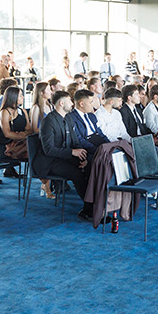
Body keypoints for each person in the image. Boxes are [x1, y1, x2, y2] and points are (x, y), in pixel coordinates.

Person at [35, 90, 93, 221]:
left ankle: (91, 204)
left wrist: (82, 157)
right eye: (69, 101)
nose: (72, 104)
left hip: (65, 157)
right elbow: (48, 150)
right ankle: (89, 208)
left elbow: (75, 142)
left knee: (90, 166)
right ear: (61, 103)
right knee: (77, 173)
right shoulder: (48, 121)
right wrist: (73, 153)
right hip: (50, 162)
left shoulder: (68, 118)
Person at [28, 81, 56, 199]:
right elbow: (34, 128)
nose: (51, 92)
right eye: (48, 90)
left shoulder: (50, 106)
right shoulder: (36, 108)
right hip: (39, 141)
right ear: (42, 93)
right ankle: (47, 186)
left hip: (49, 138)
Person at [69, 89, 106, 162]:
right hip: (88, 146)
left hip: (99, 142)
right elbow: (79, 140)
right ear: (81, 104)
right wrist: (98, 150)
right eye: (90, 102)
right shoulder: (71, 118)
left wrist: (109, 145)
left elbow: (100, 133)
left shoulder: (91, 116)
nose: (92, 105)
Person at [0, 86, 31, 161]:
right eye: (20, 95)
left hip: (22, 142)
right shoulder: (5, 112)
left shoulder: (23, 111)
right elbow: (7, 133)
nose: (23, 97)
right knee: (35, 147)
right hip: (9, 145)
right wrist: (21, 136)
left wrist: (24, 134)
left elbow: (29, 129)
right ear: (13, 97)